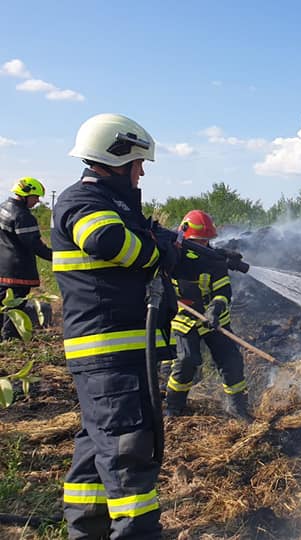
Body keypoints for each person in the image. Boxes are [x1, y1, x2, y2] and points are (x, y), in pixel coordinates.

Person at [53, 113, 177, 539]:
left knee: (95, 449)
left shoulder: (110, 204)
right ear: (114, 155)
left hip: (113, 358)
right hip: (109, 356)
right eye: (137, 164)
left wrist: (166, 242)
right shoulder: (82, 202)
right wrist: (155, 250)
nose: (141, 172)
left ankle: (85, 532)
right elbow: (107, 241)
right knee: (128, 458)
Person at [164, 209, 252, 421]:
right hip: (185, 319)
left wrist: (216, 308)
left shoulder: (215, 261)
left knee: (231, 361)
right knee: (186, 361)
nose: (202, 246)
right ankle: (174, 408)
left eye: (205, 242)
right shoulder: (172, 259)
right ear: (184, 238)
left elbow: (223, 290)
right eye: (197, 241)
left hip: (216, 321)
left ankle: (237, 408)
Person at [0, 177, 52, 338]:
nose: (37, 201)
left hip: (3, 268)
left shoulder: (3, 208)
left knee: (3, 304)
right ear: (24, 195)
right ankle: (10, 338)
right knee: (15, 307)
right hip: (17, 271)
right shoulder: (22, 216)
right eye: (35, 197)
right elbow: (34, 245)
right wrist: (57, 256)